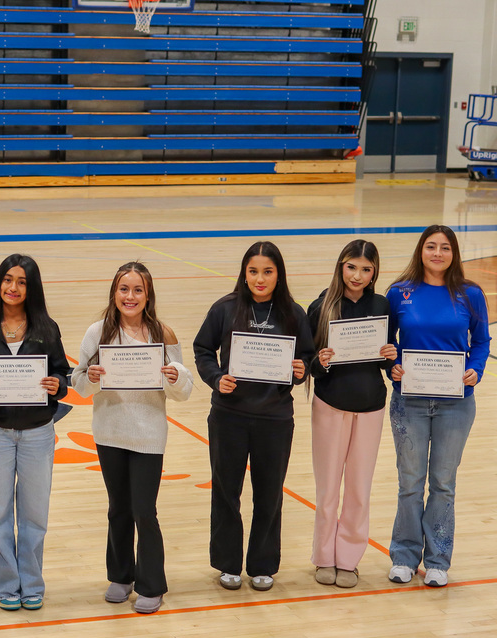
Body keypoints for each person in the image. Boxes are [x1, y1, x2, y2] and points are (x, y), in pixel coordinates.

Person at [71, 262, 193, 614]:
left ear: (148, 295)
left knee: (144, 510)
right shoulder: (98, 333)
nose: (130, 296)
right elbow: (79, 384)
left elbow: (183, 392)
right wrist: (92, 377)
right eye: (124, 289)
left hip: (148, 435)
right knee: (118, 509)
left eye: (137, 290)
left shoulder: (163, 334)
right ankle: (121, 577)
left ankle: (151, 583)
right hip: (109, 432)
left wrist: (174, 376)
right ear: (114, 293)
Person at [193, 241, 313, 592]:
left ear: (279, 275)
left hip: (275, 418)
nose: (260, 279)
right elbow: (202, 349)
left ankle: (262, 564)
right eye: (253, 271)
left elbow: (306, 360)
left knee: (269, 493)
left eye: (268, 271)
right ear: (244, 274)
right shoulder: (225, 308)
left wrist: (299, 369)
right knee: (226, 491)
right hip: (228, 415)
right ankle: (228, 563)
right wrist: (217, 378)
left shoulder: (294, 313)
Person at [0, 254, 70, 612]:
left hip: (38, 433)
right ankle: (6, 584)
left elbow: (63, 377)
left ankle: (32, 583)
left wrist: (57, 384)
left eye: (22, 281)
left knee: (34, 513)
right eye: (8, 279)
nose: (13, 287)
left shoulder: (46, 329)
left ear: (32, 287)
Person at [385, 225, 489, 588]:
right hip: (408, 402)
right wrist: (391, 365)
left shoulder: (470, 294)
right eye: (431, 246)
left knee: (443, 484)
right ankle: (403, 556)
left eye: (445, 247)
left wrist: (475, 369)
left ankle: (438, 560)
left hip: (455, 405)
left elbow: (481, 340)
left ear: (453, 253)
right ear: (421, 250)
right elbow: (386, 343)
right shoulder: (400, 292)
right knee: (410, 484)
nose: (438, 253)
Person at [307, 240, 396, 588]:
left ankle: (349, 559)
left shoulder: (382, 305)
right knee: (328, 489)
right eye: (351, 267)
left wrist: (391, 354)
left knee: (359, 489)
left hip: (370, 407)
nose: (357, 275)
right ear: (340, 266)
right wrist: (321, 362)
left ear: (374, 273)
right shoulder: (322, 305)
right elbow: (308, 362)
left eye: (365, 269)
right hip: (329, 405)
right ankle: (323, 557)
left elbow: (387, 360)